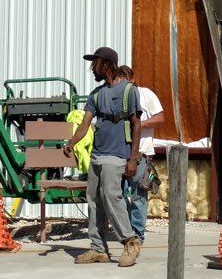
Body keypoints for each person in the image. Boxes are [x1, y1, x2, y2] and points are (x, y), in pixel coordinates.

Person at [65, 46, 143, 267]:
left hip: (118, 156)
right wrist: (71, 143)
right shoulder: (96, 94)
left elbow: (137, 125)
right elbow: (84, 124)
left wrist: (133, 158)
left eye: (95, 64)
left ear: (107, 64)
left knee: (111, 196)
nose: (92, 69)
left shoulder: (129, 91)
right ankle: (98, 249)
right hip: (97, 156)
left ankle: (130, 241)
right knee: (94, 201)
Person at [117, 65, 164, 243]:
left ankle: (137, 234)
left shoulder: (145, 94)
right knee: (117, 195)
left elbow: (160, 118)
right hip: (118, 152)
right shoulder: (115, 96)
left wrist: (138, 125)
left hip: (141, 152)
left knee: (138, 195)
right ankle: (125, 231)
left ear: (133, 80)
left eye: (126, 82)